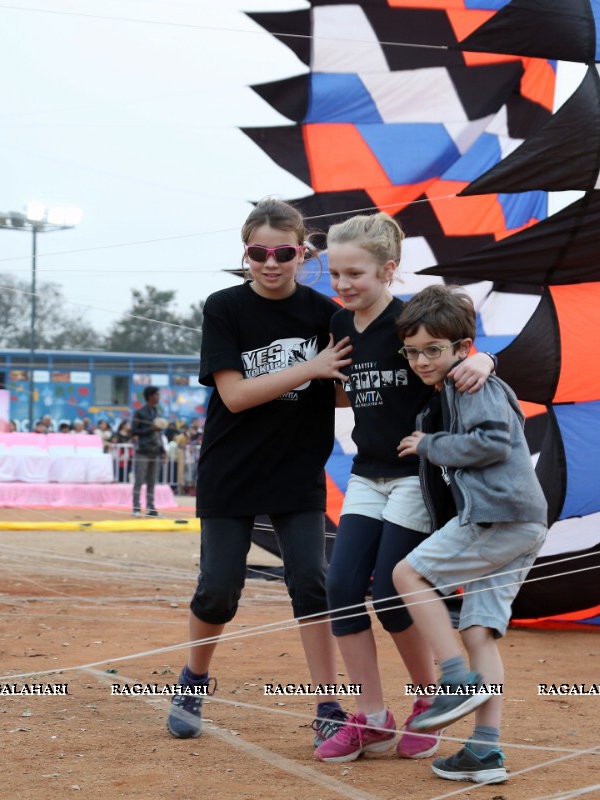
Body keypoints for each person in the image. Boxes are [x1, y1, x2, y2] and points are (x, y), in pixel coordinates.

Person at [166, 197, 354, 748]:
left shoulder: (328, 315)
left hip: (296, 469)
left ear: (303, 252)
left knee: (312, 584)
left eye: (283, 252)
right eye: (258, 252)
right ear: (245, 252)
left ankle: (329, 704)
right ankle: (193, 682)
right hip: (232, 469)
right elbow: (236, 394)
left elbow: (343, 393)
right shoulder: (224, 307)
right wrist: (312, 367)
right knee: (220, 589)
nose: (271, 262)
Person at [314, 213, 495, 763]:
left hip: (417, 475)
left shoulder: (407, 320)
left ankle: (428, 702)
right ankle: (371, 716)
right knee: (341, 586)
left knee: (394, 592)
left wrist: (485, 358)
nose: (343, 285)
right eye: (335, 273)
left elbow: (460, 349)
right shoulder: (339, 327)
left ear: (388, 270)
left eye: (356, 274)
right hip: (367, 475)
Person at [392, 285, 548, 785]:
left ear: (463, 349)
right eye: (412, 351)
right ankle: (485, 752)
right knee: (478, 628)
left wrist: (428, 444)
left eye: (432, 350)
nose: (420, 360)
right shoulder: (464, 382)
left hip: (497, 518)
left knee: (408, 573)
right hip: (522, 522)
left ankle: (456, 678)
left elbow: (492, 442)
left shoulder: (469, 384)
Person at [131, 386, 164, 518]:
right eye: (156, 395)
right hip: (143, 451)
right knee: (139, 480)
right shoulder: (139, 412)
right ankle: (136, 507)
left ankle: (151, 507)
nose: (158, 397)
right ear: (150, 396)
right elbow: (133, 431)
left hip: (155, 451)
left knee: (152, 481)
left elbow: (158, 433)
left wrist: (163, 449)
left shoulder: (156, 411)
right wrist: (151, 429)